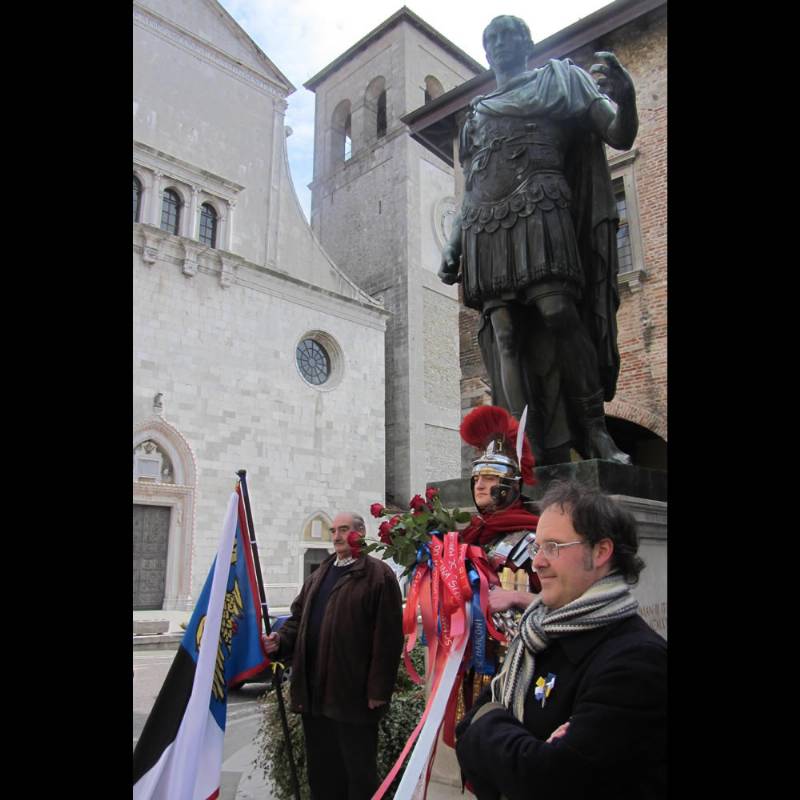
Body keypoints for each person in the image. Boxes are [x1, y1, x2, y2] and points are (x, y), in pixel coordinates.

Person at [438, 14, 637, 466]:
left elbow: (619, 133)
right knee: (505, 333)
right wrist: (454, 243)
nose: (500, 43)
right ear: (486, 52)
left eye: (510, 35)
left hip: (543, 203)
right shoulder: (478, 113)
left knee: (559, 310)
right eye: (492, 38)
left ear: (527, 43)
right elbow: (471, 184)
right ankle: (515, 444)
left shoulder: (562, 81)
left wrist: (624, 95)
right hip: (485, 223)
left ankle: (596, 431)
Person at [455, 479, 666, 799]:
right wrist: (523, 746)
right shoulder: (537, 637)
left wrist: (489, 724)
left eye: (553, 547)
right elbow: (465, 732)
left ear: (600, 551)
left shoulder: (637, 661)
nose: (537, 562)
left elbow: (548, 782)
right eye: (537, 547)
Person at [262, 511, 403, 800]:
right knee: (322, 775)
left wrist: (378, 690)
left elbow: (388, 639)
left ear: (361, 533)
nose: (337, 536)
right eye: (334, 531)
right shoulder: (318, 575)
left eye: (344, 530)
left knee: (358, 776)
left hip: (351, 695)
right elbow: (297, 620)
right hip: (314, 696)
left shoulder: (378, 576)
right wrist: (280, 640)